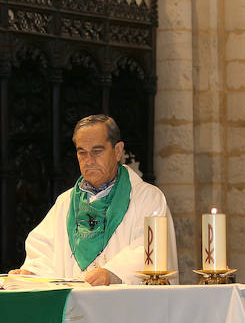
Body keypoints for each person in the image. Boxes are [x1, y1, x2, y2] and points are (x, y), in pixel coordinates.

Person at [11, 114, 177, 285]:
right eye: (82, 152)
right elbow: (43, 248)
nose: (89, 160)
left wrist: (112, 273)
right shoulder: (66, 202)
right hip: (74, 307)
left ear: (118, 151)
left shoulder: (147, 198)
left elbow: (152, 248)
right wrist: (32, 271)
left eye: (97, 151)